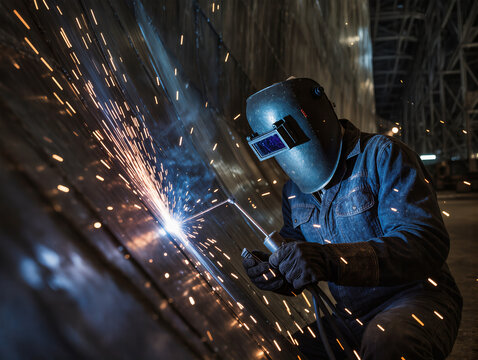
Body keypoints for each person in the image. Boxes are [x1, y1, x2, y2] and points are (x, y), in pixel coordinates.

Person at [242, 78, 462, 359]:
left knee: (389, 343)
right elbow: (301, 253)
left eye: (288, 138)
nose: (286, 153)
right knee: (284, 354)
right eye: (272, 146)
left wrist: (330, 260)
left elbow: (426, 243)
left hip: (416, 300)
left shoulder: (383, 154)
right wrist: (277, 271)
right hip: (352, 316)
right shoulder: (294, 191)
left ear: (314, 119)